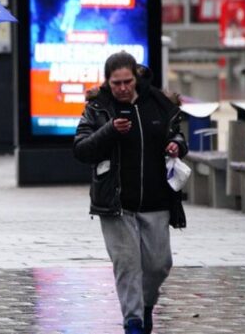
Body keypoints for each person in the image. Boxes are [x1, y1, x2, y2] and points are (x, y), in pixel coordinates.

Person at [73, 51, 188, 334]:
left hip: (156, 199)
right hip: (116, 203)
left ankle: (146, 305)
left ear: (135, 78)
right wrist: (110, 130)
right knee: (127, 264)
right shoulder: (98, 108)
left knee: (159, 264)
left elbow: (178, 134)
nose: (122, 88)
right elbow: (81, 148)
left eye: (127, 82)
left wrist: (176, 144)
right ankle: (133, 322)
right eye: (116, 84)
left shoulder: (159, 104)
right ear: (107, 82)